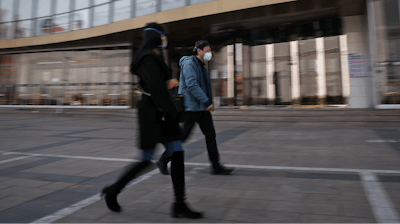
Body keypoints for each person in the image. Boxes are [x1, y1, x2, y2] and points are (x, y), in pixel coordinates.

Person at [101, 22, 203, 219]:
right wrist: (171, 111)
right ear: (155, 36)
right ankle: (113, 191)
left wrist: (167, 86)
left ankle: (180, 204)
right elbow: (155, 88)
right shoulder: (148, 57)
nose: (165, 39)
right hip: (154, 113)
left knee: (177, 152)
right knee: (147, 159)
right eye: (163, 35)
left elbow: (155, 84)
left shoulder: (152, 55)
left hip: (157, 110)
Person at [156, 40, 234, 175]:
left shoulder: (202, 67)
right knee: (183, 137)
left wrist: (208, 102)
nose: (209, 53)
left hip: (201, 109)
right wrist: (206, 102)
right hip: (190, 108)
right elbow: (192, 85)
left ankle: (216, 166)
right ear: (199, 50)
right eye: (207, 51)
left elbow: (204, 87)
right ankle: (163, 160)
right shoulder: (189, 63)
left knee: (211, 135)